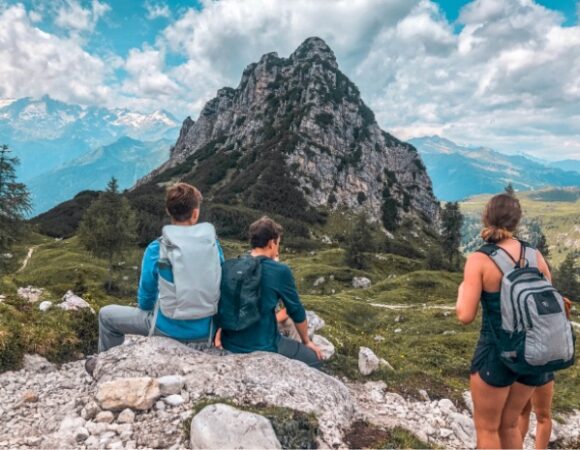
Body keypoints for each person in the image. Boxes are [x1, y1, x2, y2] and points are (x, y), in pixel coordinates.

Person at [86, 183, 224, 374]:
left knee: (106, 315)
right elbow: (221, 288)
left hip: (165, 330)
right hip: (204, 333)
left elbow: (145, 299)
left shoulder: (155, 249)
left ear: (169, 211)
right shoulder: (213, 247)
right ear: (195, 214)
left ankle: (106, 367)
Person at [456, 193, 554, 449]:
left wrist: (461, 291)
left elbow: (465, 316)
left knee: (488, 429)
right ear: (516, 221)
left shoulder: (480, 259)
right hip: (533, 354)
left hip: (495, 353)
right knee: (510, 425)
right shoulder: (535, 257)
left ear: (486, 217)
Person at [215, 216, 323, 368]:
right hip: (264, 346)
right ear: (272, 243)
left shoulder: (230, 266)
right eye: (278, 243)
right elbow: (296, 311)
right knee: (314, 358)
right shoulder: (280, 271)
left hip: (230, 343)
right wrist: (307, 341)